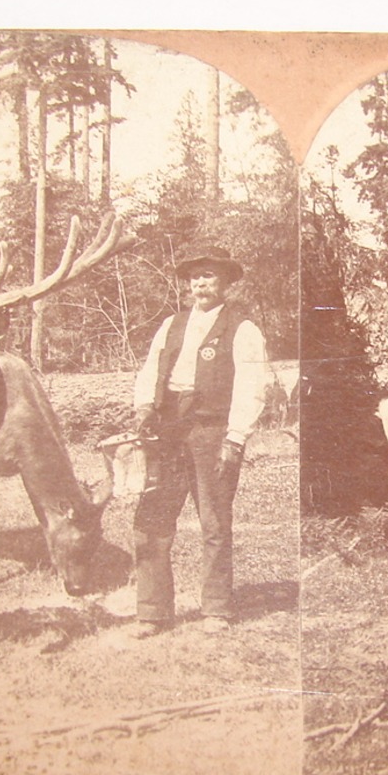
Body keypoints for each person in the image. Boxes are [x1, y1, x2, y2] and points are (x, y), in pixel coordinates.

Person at [131, 244, 269, 632]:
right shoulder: (171, 325)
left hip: (212, 431)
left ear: (224, 281)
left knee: (214, 522)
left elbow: (251, 386)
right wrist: (143, 408)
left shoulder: (242, 328)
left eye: (209, 276)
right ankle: (152, 612)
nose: (201, 283)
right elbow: (149, 370)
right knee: (152, 518)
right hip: (167, 429)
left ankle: (216, 610)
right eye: (195, 277)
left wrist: (235, 438)